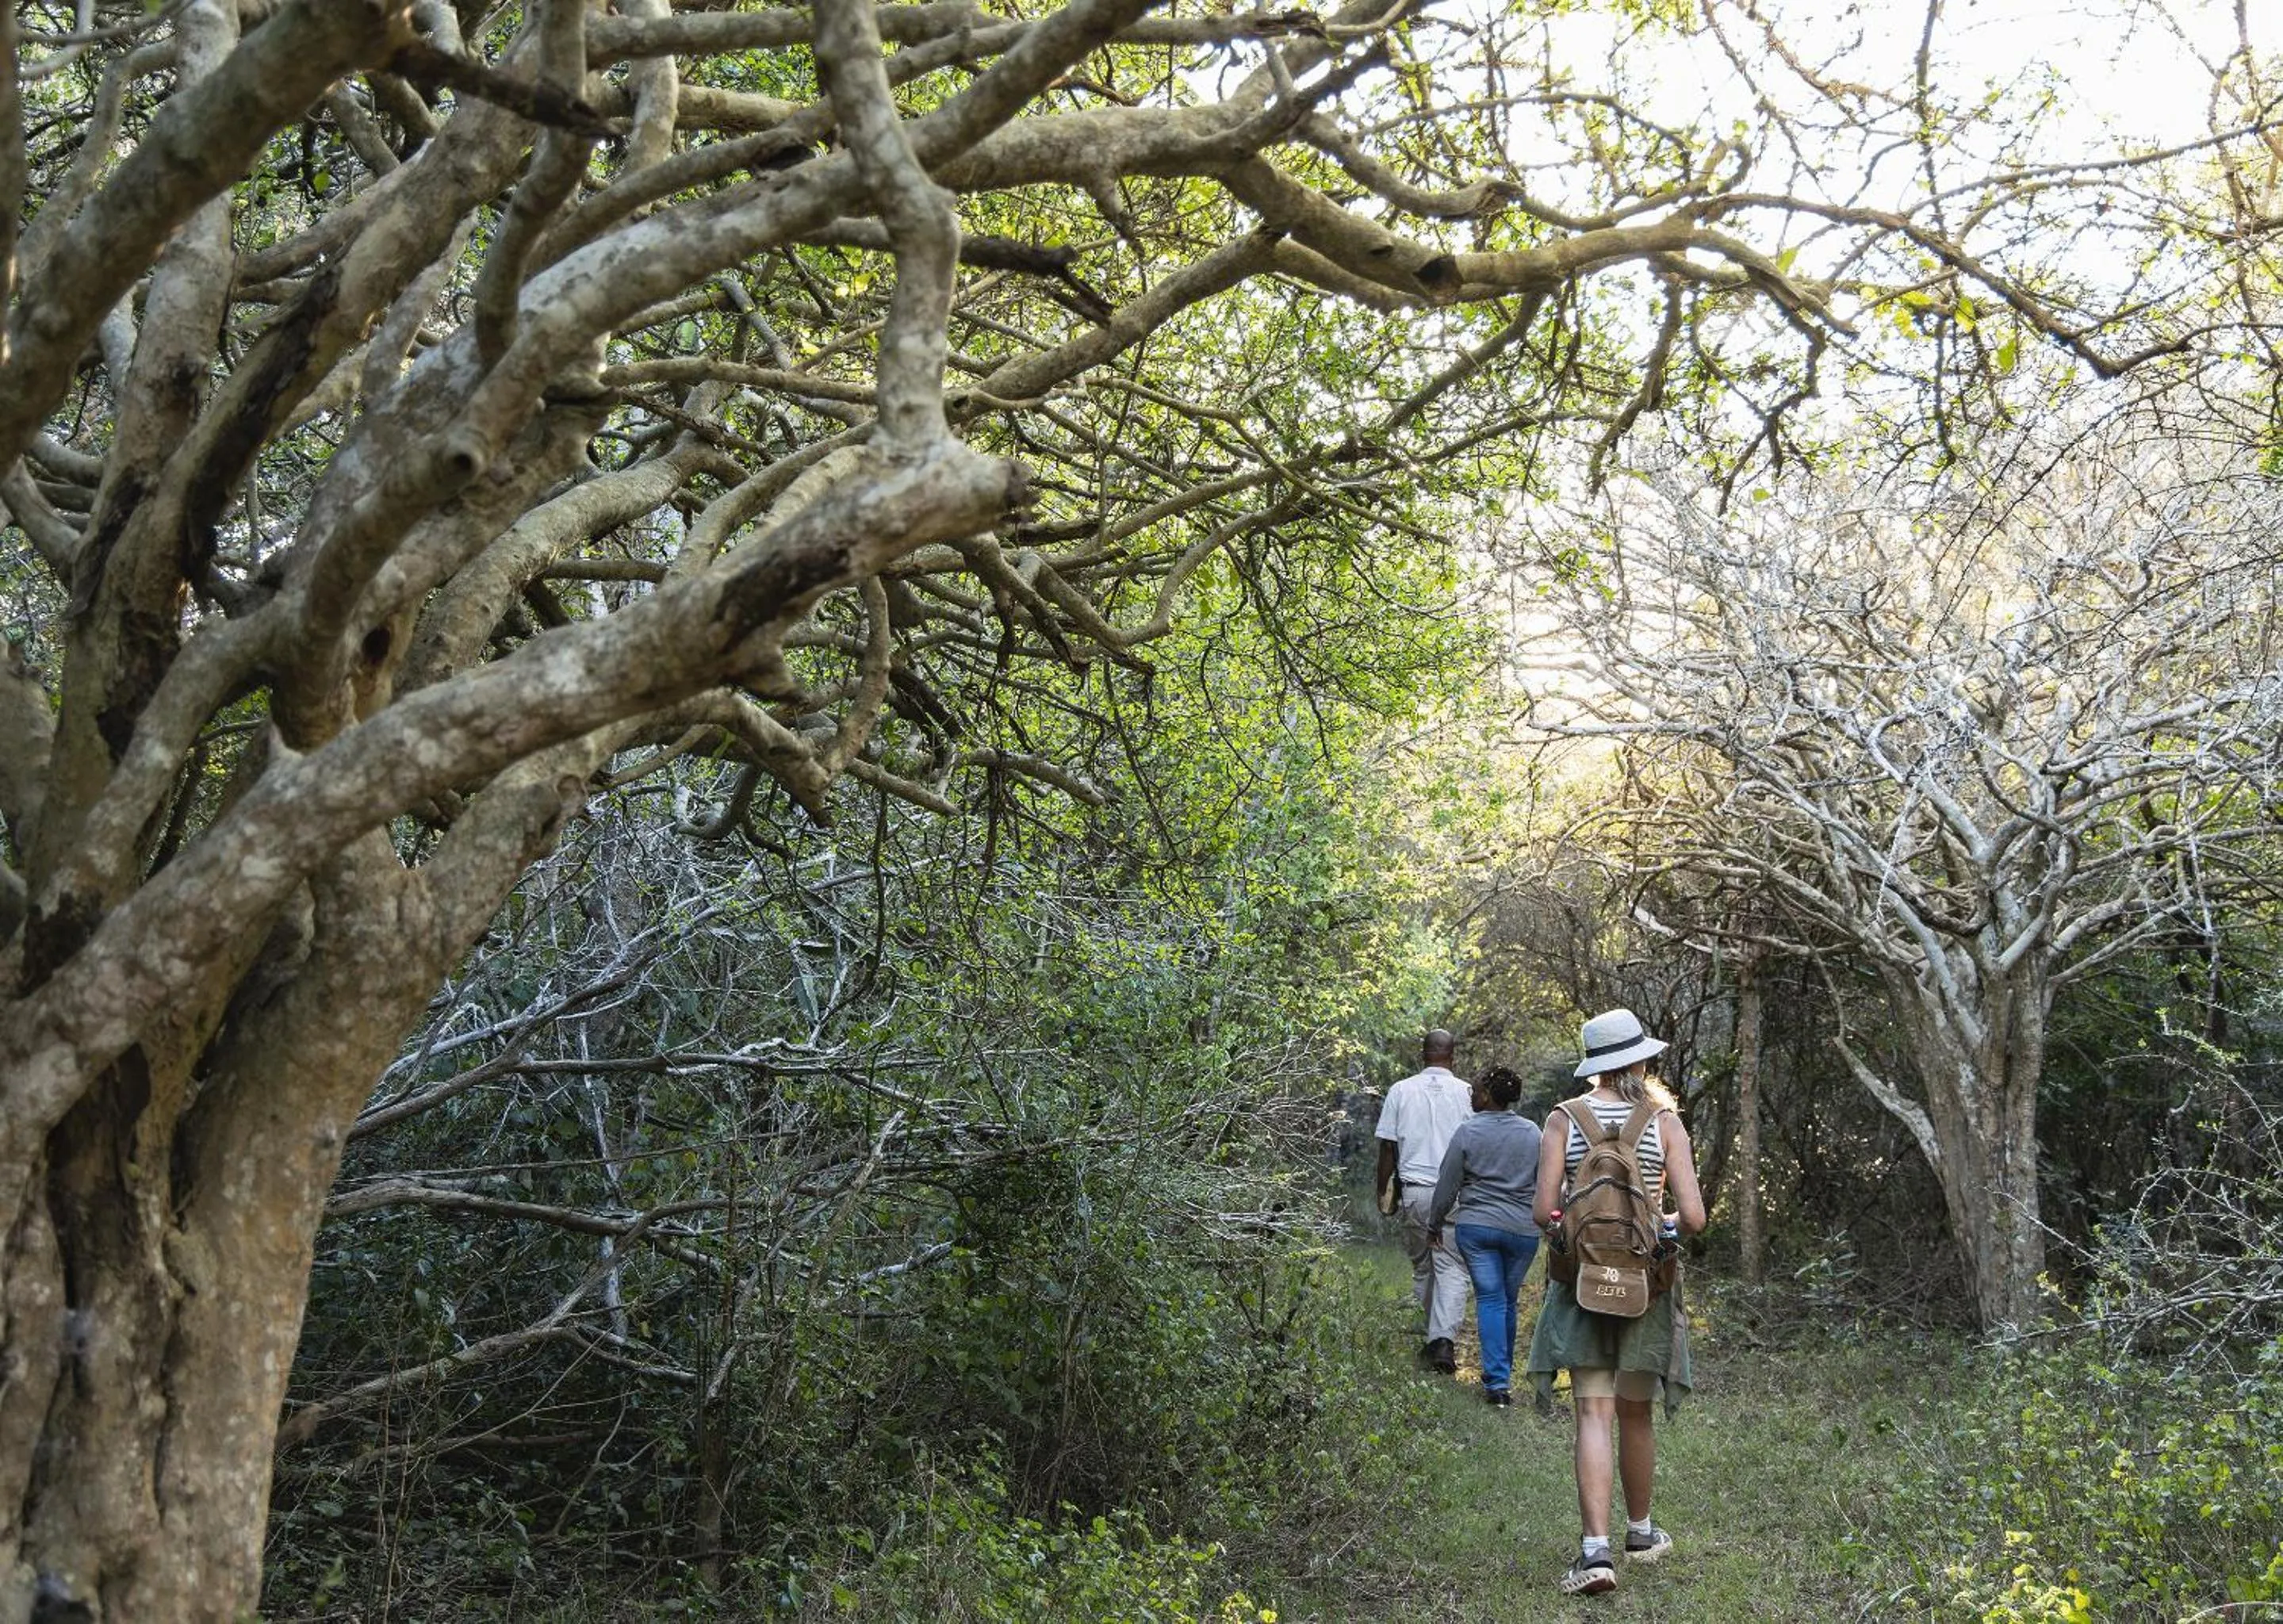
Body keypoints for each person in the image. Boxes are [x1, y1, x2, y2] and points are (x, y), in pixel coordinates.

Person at [1526, 1008, 1707, 1598]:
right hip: (1645, 1286)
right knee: (1635, 1411)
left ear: (1595, 1065)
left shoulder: (1564, 1118)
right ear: (1639, 1060)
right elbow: (1695, 1217)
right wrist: (1658, 1227)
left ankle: (1593, 1553)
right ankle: (1640, 1533)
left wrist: (1576, 1228)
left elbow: (1541, 1211)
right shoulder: (1664, 1122)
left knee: (1592, 1412)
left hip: (1581, 1284)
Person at [1426, 1064, 1541, 1408]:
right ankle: (1500, 1379)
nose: (1471, 1095)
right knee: (1507, 1299)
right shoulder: (1533, 1133)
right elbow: (1547, 1180)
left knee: (1490, 1299)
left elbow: (1447, 1185)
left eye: (1474, 1090)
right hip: (1523, 1230)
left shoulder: (1467, 1132)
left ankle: (1497, 1384)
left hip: (1477, 1228)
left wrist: (1434, 1223)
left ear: (1488, 1095)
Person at [1375, 1028, 1473, 1373]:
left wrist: (1381, 1188)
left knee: (1423, 1266)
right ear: (1452, 1055)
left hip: (1415, 1192)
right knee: (1452, 1266)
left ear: (1423, 1055)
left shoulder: (1400, 1091)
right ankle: (1442, 1339)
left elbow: (1388, 1145)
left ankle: (1429, 1337)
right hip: (1457, 1194)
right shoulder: (1467, 1093)